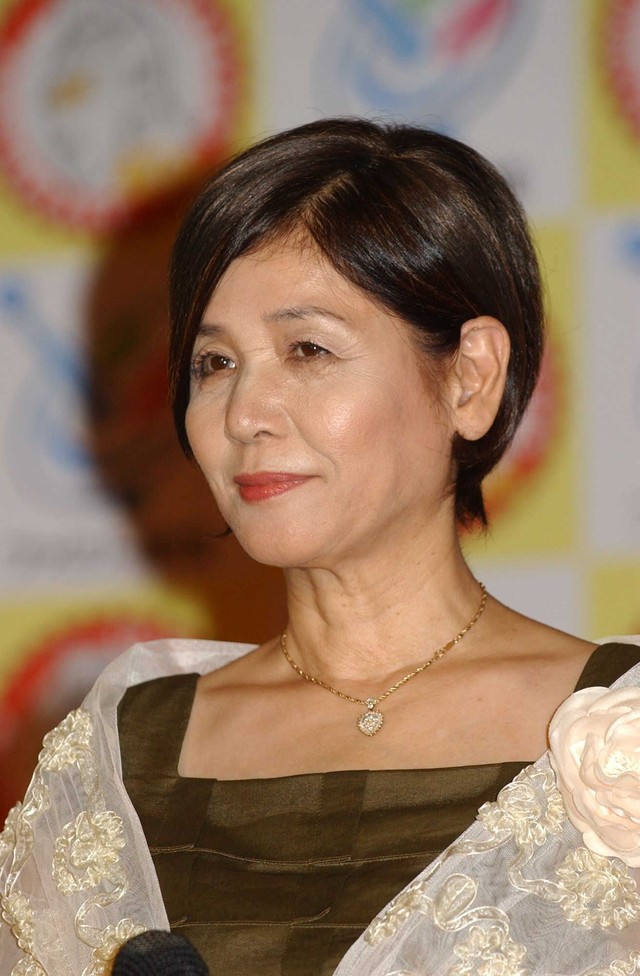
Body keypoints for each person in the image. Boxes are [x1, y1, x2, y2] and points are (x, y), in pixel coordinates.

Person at [2, 118, 640, 976]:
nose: (243, 415)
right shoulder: (119, 753)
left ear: (470, 378)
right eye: (214, 364)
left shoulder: (620, 730)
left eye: (307, 349)